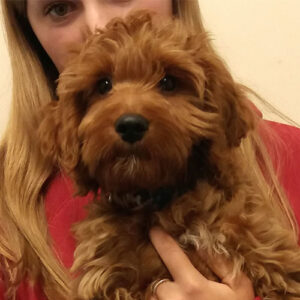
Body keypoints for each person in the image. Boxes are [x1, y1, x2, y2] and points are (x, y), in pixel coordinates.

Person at [0, 0, 299, 299]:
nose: (97, 26)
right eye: (60, 7)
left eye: (167, 83)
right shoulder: (9, 219)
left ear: (215, 107)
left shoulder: (289, 160)